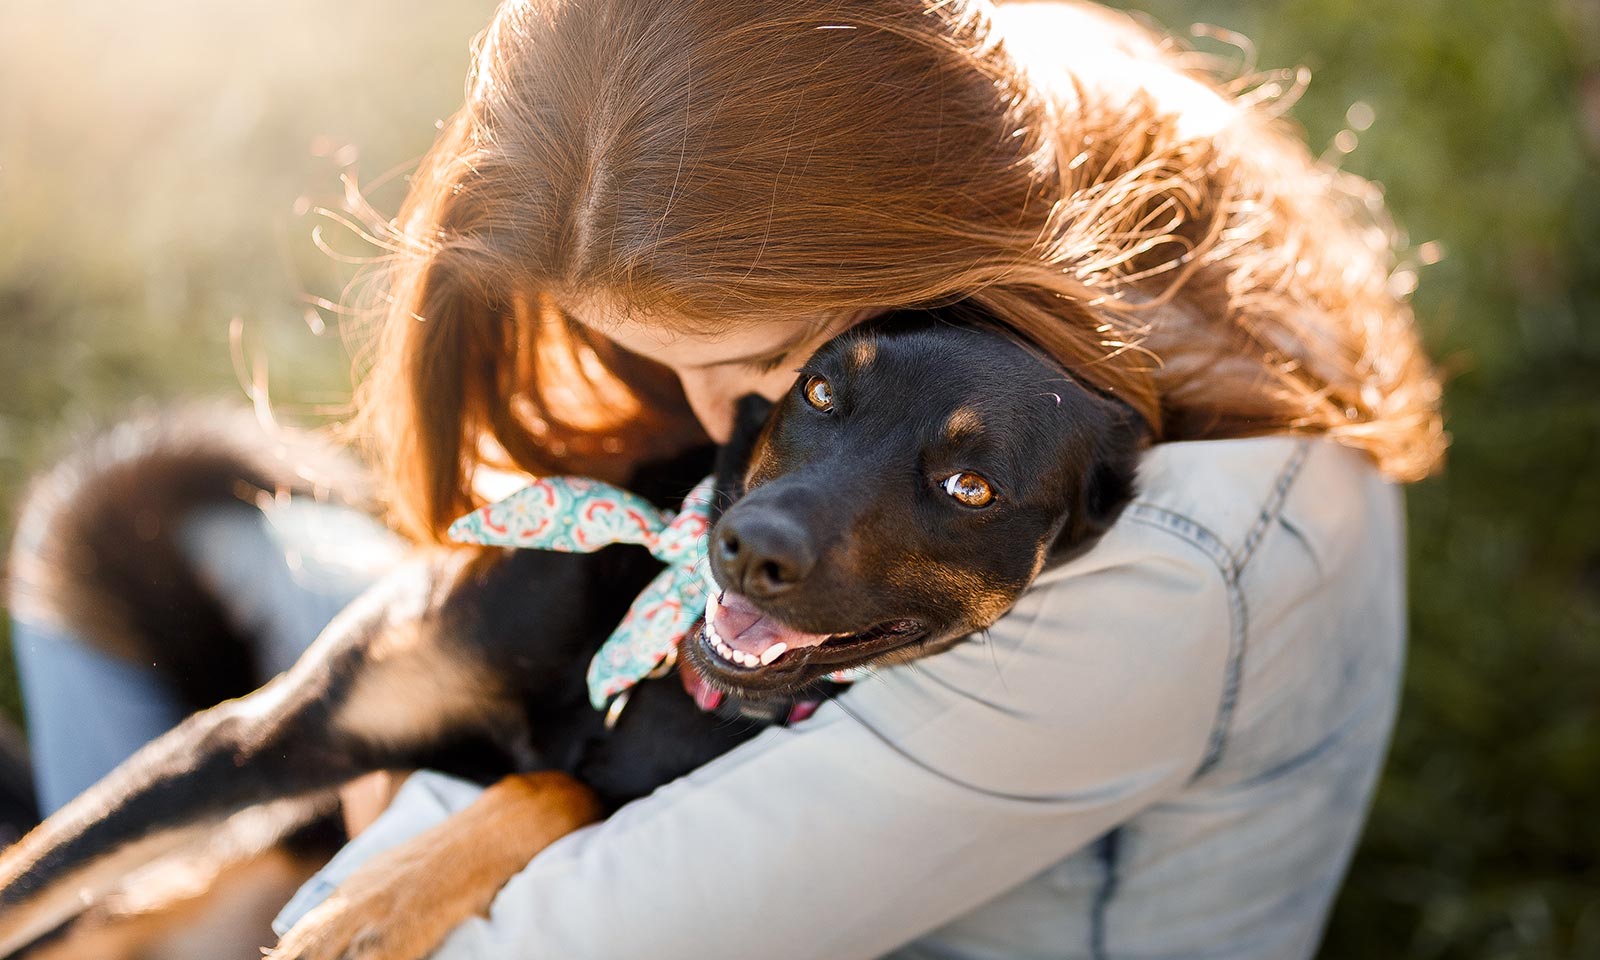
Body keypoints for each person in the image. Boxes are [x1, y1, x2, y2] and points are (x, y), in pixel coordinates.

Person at [9, 1, 1445, 957]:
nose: (718, 426)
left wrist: (389, 776)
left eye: (763, 358)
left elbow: (491, 942)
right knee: (140, 510)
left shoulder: (1124, 580)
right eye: (636, 348)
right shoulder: (992, 126)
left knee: (221, 724)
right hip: (607, 711)